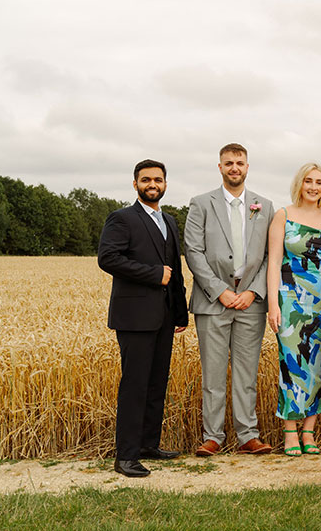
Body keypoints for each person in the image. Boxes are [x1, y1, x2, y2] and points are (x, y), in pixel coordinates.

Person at [98, 159, 188, 478]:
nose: (153, 184)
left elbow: (173, 269)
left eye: (158, 179)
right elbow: (107, 258)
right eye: (146, 179)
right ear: (135, 184)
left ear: (165, 183)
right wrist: (153, 274)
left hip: (164, 317)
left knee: (156, 382)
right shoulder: (122, 218)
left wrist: (180, 312)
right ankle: (126, 457)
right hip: (134, 317)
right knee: (135, 384)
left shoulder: (170, 221)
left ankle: (149, 445)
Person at [185, 143, 275, 457]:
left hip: (251, 302)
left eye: (239, 162)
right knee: (212, 373)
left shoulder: (265, 206)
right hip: (212, 301)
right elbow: (193, 252)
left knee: (246, 372)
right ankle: (212, 437)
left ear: (247, 167)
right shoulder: (200, 204)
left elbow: (270, 256)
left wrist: (253, 291)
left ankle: (248, 436)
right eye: (228, 163)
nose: (234, 168)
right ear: (220, 167)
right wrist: (218, 290)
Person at [267, 163, 321, 456]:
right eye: (309, 181)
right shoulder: (283, 215)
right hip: (290, 298)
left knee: (317, 368)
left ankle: (309, 432)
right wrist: (273, 304)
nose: (314, 187)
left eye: (319, 182)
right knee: (291, 365)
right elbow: (273, 262)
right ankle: (290, 432)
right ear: (300, 183)